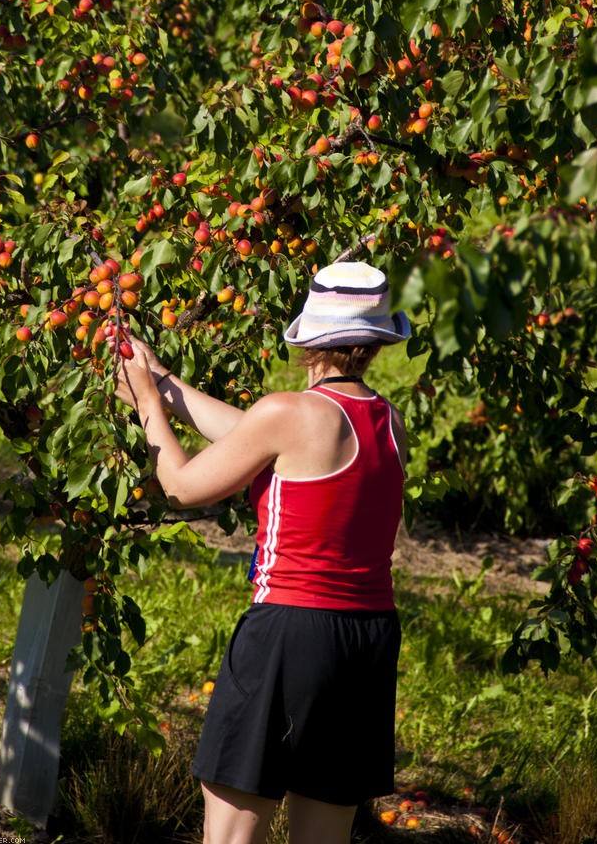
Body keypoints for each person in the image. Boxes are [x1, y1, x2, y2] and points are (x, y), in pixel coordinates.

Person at [110, 261, 410, 844]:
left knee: (229, 837)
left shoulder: (289, 414)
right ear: (375, 343)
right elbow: (254, 434)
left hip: (290, 633)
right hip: (367, 641)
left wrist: (147, 401)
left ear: (309, 339)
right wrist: (165, 383)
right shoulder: (385, 420)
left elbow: (181, 486)